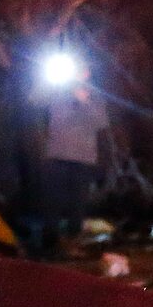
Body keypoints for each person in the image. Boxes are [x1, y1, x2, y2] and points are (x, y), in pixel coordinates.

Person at [34, 64, 110, 255]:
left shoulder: (95, 96)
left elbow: (101, 123)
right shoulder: (56, 92)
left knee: (77, 204)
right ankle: (50, 244)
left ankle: (72, 243)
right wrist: (46, 82)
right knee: (52, 203)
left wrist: (84, 101)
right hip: (56, 156)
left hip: (82, 159)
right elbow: (34, 100)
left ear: (87, 74)